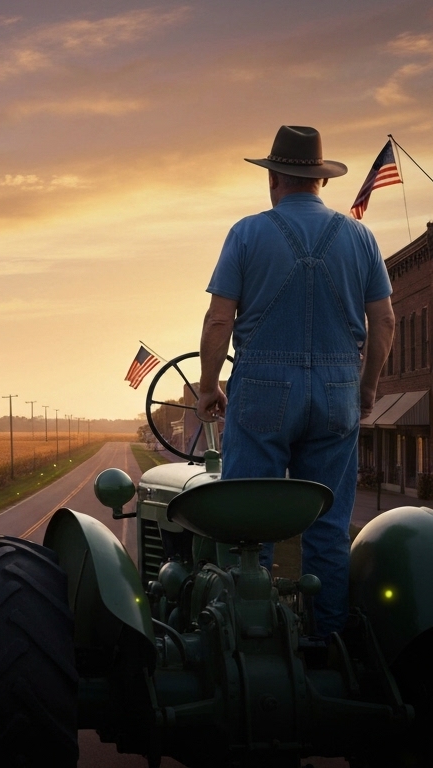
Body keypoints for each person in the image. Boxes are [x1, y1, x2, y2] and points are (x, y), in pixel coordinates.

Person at [196, 125, 395, 637]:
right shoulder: (361, 238)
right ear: (320, 180)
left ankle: (250, 643)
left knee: (249, 527)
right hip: (337, 394)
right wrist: (366, 387)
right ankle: (326, 642)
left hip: (261, 391)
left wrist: (209, 385)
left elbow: (220, 320)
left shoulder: (246, 232)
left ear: (274, 178)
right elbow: (386, 321)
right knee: (329, 529)